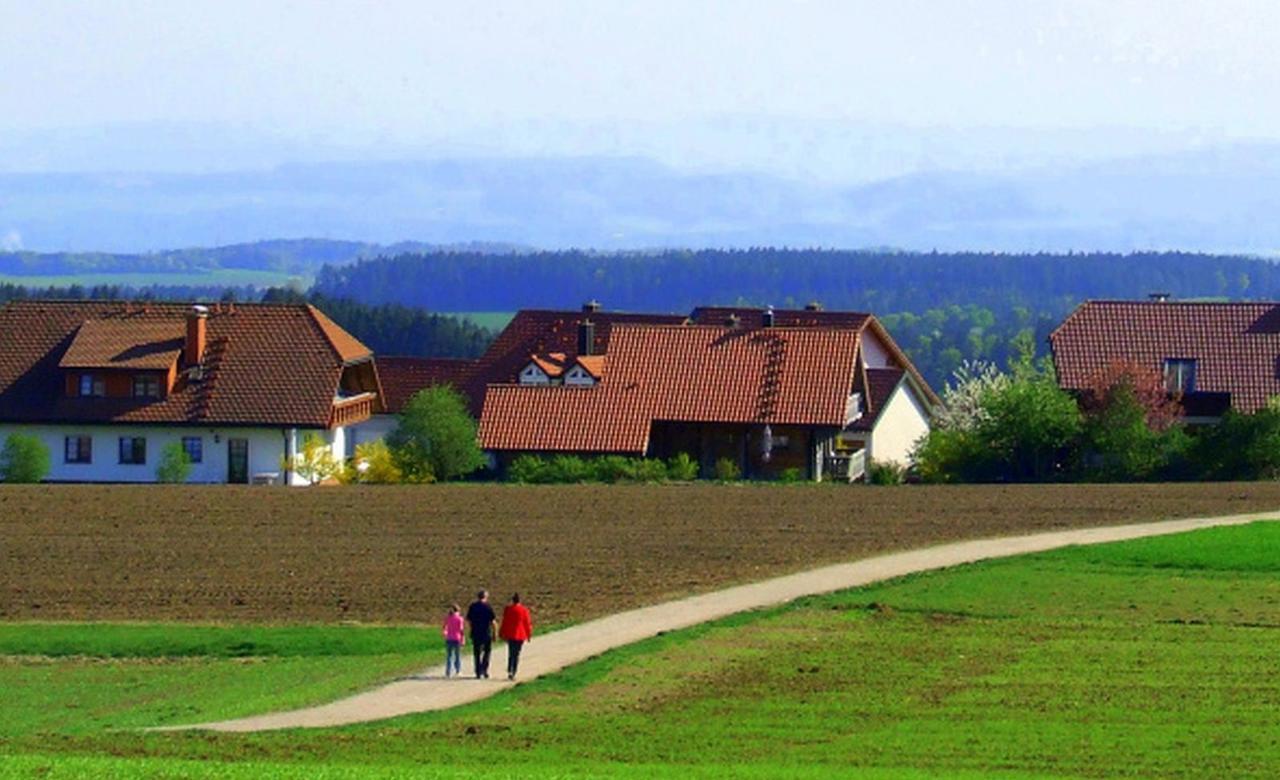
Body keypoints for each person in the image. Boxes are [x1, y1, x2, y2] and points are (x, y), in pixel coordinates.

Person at [499, 592, 533, 680]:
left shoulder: (508, 609)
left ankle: (510, 669)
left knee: (511, 652)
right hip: (520, 635)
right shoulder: (524, 610)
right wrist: (529, 635)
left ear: (512, 600)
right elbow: (527, 623)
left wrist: (501, 633)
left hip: (510, 634)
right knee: (516, 654)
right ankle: (513, 671)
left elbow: (504, 622)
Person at [465, 590, 497, 678]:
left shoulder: (473, 606)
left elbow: (468, 620)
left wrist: (470, 630)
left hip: (476, 632)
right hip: (486, 632)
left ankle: (478, 672)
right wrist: (495, 633)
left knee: (477, 653)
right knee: (487, 652)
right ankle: (484, 669)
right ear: (485, 597)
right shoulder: (488, 607)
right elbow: (493, 622)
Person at [441, 604, 464, 678]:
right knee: (457, 656)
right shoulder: (460, 618)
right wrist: (463, 638)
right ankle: (458, 670)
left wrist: (445, 633)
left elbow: (444, 627)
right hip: (457, 638)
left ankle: (448, 672)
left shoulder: (448, 618)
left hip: (449, 638)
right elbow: (461, 630)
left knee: (449, 656)